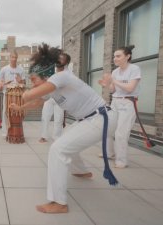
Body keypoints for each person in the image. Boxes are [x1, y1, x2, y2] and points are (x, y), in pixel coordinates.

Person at [18, 44, 118, 214]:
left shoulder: (61, 76)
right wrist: (21, 108)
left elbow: (31, 94)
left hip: (101, 118)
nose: (33, 83)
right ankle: (81, 171)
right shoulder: (54, 85)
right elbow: (39, 100)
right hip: (90, 119)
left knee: (58, 149)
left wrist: (25, 92)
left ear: (45, 74)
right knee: (65, 138)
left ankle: (59, 203)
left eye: (34, 79)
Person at [99, 45, 140, 168]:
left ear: (127, 56)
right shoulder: (115, 71)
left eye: (118, 56)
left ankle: (121, 160)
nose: (115, 58)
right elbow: (113, 90)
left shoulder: (134, 69)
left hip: (128, 102)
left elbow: (130, 88)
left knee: (121, 133)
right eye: (114, 56)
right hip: (115, 101)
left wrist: (113, 80)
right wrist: (106, 84)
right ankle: (109, 153)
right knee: (108, 128)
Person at [38, 53, 70, 143]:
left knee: (59, 119)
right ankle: (43, 136)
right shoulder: (53, 72)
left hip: (60, 99)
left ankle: (57, 137)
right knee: (45, 117)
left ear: (66, 62)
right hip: (50, 98)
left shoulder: (67, 74)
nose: (58, 61)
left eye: (61, 59)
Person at [0, 49, 25, 137]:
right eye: (12, 57)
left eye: (15, 57)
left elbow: (24, 83)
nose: (14, 59)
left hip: (17, 94)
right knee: (6, 112)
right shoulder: (4, 69)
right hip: (7, 93)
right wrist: (5, 83)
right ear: (9, 58)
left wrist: (20, 80)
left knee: (18, 112)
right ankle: (5, 132)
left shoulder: (21, 69)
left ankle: (16, 130)